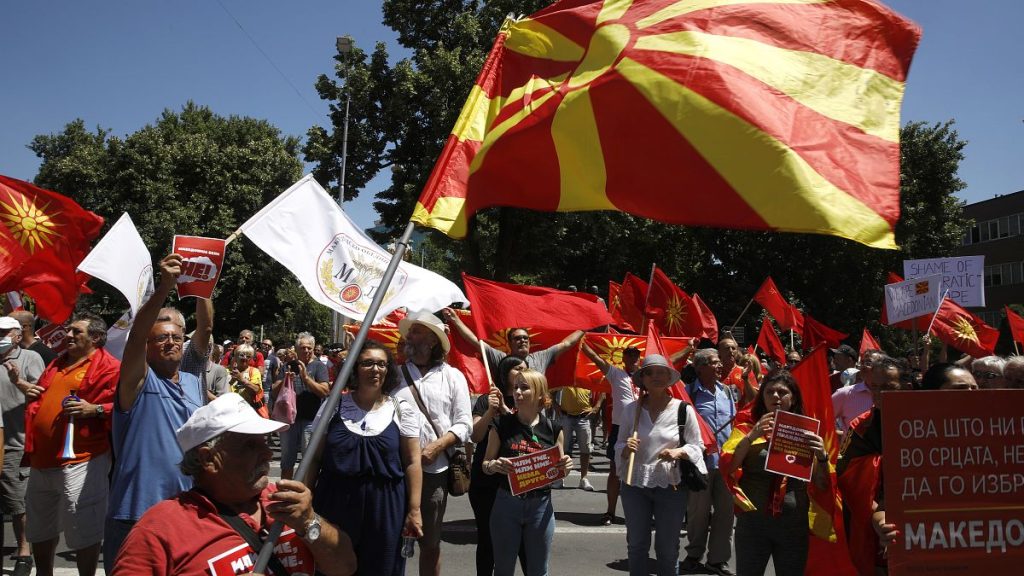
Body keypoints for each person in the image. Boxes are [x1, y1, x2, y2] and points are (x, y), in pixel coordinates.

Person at [112, 393, 357, 575]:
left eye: (264, 442)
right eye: (250, 445)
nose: (267, 454)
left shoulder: (285, 505)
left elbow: (346, 566)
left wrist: (309, 522)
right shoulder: (161, 528)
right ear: (209, 458)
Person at [103, 254, 204, 572]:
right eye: (161, 337)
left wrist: (203, 284)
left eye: (176, 337)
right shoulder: (138, 381)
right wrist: (164, 288)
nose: (171, 342)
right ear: (146, 346)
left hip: (187, 509)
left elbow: (206, 326)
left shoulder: (193, 381)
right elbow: (135, 336)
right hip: (135, 512)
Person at [304, 340, 422, 575]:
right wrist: (305, 499)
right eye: (367, 363)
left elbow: (412, 461)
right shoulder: (333, 405)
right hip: (334, 501)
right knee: (330, 567)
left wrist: (414, 509)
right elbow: (314, 458)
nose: (375, 369)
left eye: (381, 364)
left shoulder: (402, 409)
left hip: (385, 507)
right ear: (355, 367)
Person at [23, 313, 119, 576]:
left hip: (82, 460)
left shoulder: (110, 367)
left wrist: (97, 409)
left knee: (83, 528)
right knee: (40, 528)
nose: (68, 335)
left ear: (96, 338)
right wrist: (30, 392)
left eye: (76, 332)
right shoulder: (55, 364)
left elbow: (126, 406)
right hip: (42, 461)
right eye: (68, 331)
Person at [721, 371, 830, 576]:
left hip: (793, 526)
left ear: (794, 397)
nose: (776, 396)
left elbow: (822, 484)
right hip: (754, 524)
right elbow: (729, 467)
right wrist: (752, 437)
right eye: (770, 391)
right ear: (762, 396)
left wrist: (822, 456)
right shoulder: (746, 428)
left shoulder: (808, 432)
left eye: (782, 392)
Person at [392, 310, 472, 576]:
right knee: (388, 539)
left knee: (430, 543)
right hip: (394, 469)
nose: (408, 337)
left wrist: (437, 447)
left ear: (432, 340)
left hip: (434, 472)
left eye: (415, 331)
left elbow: (464, 423)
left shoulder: (453, 376)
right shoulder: (394, 374)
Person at [617, 354, 705, 576]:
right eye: (649, 372)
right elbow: (617, 447)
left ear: (669, 377)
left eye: (660, 372)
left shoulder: (683, 410)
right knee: (636, 546)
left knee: (667, 549)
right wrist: (626, 447)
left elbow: (697, 446)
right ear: (643, 379)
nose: (655, 376)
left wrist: (679, 451)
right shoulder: (630, 410)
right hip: (634, 484)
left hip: (671, 486)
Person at [482, 369, 573, 576]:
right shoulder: (501, 424)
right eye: (515, 387)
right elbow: (485, 464)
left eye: (524, 387)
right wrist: (494, 466)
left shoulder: (553, 428)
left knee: (538, 571)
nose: (517, 393)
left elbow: (560, 468)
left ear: (540, 394)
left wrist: (566, 467)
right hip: (507, 504)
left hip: (540, 507)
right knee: (503, 570)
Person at [837, 356, 905, 576]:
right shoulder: (861, 426)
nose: (879, 394)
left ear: (906, 387)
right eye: (874, 387)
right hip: (874, 526)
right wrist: (879, 518)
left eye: (887, 387)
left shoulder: (927, 423)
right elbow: (849, 479)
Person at [469, 355, 523, 575]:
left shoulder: (528, 400)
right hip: (486, 481)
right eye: (517, 368)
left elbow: (527, 434)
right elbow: (476, 435)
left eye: (525, 368)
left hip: (518, 483)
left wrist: (505, 409)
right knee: (487, 540)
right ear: (504, 373)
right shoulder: (485, 400)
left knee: (520, 543)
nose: (522, 371)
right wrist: (491, 410)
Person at [683, 349, 735, 576]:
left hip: (726, 464)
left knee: (726, 514)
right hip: (700, 464)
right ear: (700, 367)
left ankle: (718, 560)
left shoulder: (728, 392)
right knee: (698, 514)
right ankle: (694, 555)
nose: (720, 366)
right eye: (714, 363)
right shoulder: (688, 394)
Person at [0, 315, 46, 576]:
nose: (1, 336)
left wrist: (19, 382)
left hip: (14, 444)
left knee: (17, 504)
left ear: (19, 335)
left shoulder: (30, 359)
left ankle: (24, 554)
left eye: (5, 332)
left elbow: (42, 394)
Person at [581, 343, 641, 526]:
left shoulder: (646, 375)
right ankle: (610, 511)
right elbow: (596, 359)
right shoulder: (616, 373)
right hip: (619, 429)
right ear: (623, 358)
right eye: (629, 354)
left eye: (636, 355)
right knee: (615, 471)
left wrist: (687, 349)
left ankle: (640, 513)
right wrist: (583, 344)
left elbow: (669, 363)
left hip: (642, 429)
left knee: (641, 471)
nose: (633, 357)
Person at [443, 308, 583, 376]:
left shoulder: (542, 357)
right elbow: (475, 341)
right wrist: (456, 320)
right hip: (509, 419)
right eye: (517, 338)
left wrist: (587, 326)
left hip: (537, 421)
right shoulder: (500, 358)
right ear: (509, 344)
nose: (522, 340)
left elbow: (566, 344)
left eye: (525, 338)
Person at [274, 333, 330, 480]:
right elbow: (274, 391)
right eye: (302, 347)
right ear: (296, 349)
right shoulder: (288, 365)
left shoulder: (319, 366)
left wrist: (306, 378)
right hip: (289, 419)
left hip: (310, 421)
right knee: (287, 461)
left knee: (309, 461)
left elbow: (324, 391)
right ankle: (285, 494)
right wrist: (285, 379)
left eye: (309, 348)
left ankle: (305, 493)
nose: (306, 350)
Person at [553, 383, 599, 490]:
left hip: (584, 417)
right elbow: (551, 390)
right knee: (561, 449)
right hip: (566, 416)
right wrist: (555, 404)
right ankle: (560, 478)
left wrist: (597, 406)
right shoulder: (565, 376)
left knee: (585, 449)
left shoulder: (586, 375)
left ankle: (584, 478)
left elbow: (601, 391)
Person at [832, 349, 882, 432]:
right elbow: (823, 418)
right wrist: (839, 438)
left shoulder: (891, 394)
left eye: (868, 363)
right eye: (862, 363)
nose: (863, 366)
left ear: (883, 367)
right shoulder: (844, 393)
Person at [227, 344, 267, 417]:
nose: (245, 358)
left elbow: (257, 390)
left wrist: (242, 379)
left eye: (248, 356)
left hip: (248, 411)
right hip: (229, 410)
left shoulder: (254, 371)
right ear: (235, 356)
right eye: (242, 355)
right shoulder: (226, 371)